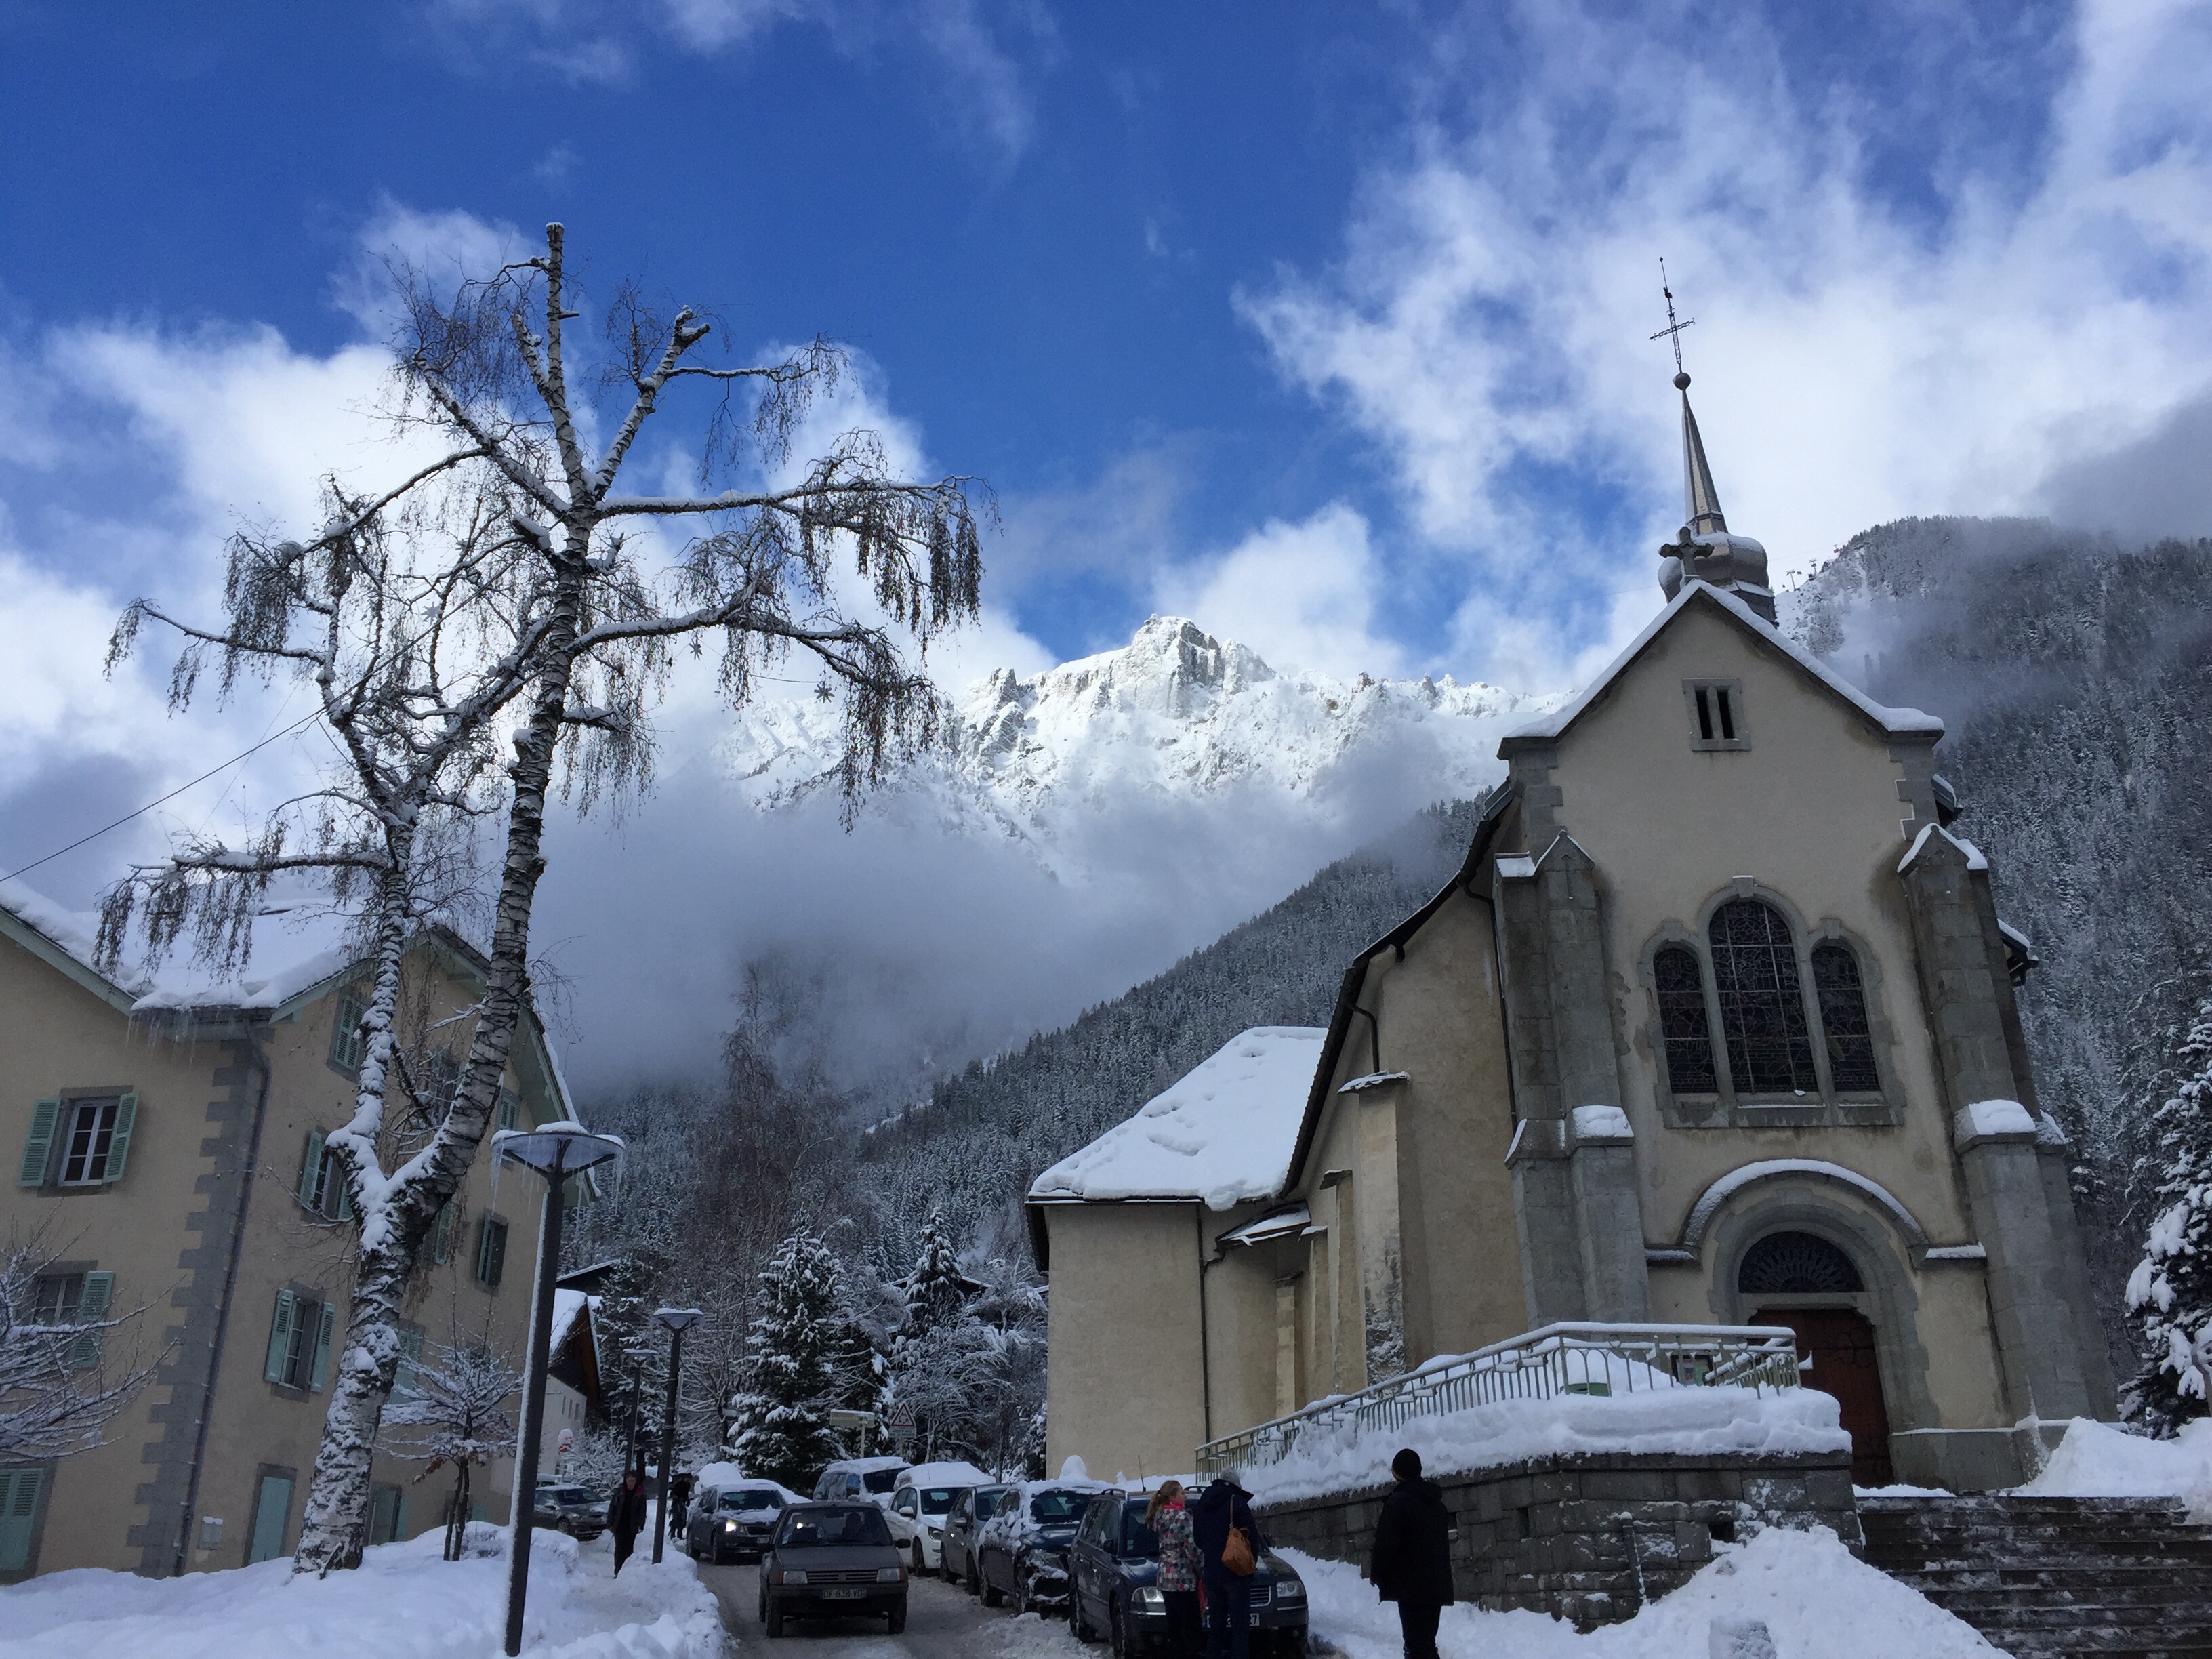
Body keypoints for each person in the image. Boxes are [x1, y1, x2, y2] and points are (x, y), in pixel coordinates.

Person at [1368, 1448, 1454, 1659]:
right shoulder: (1437, 1504)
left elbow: (1386, 1545)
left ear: (1397, 1472)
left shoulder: (1397, 1504)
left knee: (1415, 1645)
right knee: (1427, 1643)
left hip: (1410, 1585)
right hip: (1435, 1584)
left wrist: (1378, 1574)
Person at [1189, 1471, 1262, 1659]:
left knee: (1217, 1629)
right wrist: (1249, 1561)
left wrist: (1213, 1553)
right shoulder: (1236, 1502)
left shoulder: (1202, 1503)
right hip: (1235, 1572)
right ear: (1234, 1484)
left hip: (1212, 1574)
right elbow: (1253, 1537)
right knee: (1240, 1629)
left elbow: (1198, 1539)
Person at [1145, 1481, 1203, 1658]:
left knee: (1174, 1627)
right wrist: (1203, 1570)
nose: (1185, 1497)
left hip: (1166, 1579)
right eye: (1182, 1493)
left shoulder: (1160, 1517)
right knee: (1192, 1627)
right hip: (1184, 1580)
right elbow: (1192, 1549)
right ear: (1172, 1497)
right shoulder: (1181, 1517)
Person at [609, 1467, 650, 1576]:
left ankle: (626, 1572)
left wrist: (640, 1525)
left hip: (632, 1526)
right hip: (619, 1525)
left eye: (633, 1479)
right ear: (626, 1480)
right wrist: (610, 1523)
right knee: (619, 1549)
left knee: (629, 1549)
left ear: (636, 1481)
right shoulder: (620, 1492)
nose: (631, 1481)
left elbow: (642, 1511)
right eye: (629, 1479)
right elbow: (612, 1508)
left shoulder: (640, 1494)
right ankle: (618, 1571)